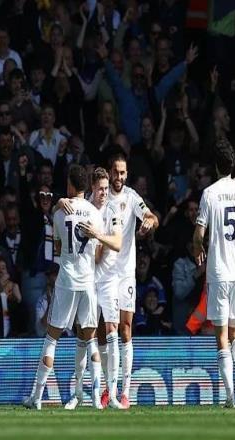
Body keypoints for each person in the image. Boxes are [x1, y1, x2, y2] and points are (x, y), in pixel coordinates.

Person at [23, 164, 104, 410]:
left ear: (70, 184)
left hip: (66, 280)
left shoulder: (60, 214)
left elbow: (58, 248)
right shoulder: (94, 213)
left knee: (51, 339)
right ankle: (96, 398)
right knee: (90, 340)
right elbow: (98, 252)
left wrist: (59, 203)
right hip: (88, 281)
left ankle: (37, 398)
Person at [193, 140, 235, 408]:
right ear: (232, 164)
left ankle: (231, 397)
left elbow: (199, 234)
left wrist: (198, 249)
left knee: (221, 337)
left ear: (215, 166)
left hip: (218, 273)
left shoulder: (209, 194)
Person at [61, 167, 123, 410]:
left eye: (106, 189)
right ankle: (78, 392)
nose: (104, 193)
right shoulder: (84, 209)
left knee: (112, 330)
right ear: (92, 189)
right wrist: (59, 201)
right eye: (100, 189)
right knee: (84, 334)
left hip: (108, 280)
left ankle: (112, 394)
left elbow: (117, 242)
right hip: (87, 279)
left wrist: (97, 235)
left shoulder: (112, 210)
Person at [106, 153, 159, 408]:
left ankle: (125, 392)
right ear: (109, 172)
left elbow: (152, 217)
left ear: (126, 174)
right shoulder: (101, 196)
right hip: (105, 273)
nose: (119, 177)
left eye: (122, 172)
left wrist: (148, 222)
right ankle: (108, 389)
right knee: (107, 330)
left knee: (125, 329)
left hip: (126, 272)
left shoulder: (131, 196)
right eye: (116, 172)